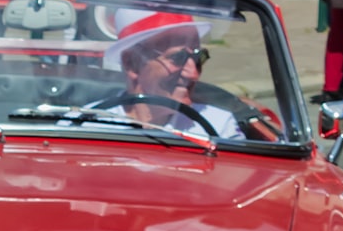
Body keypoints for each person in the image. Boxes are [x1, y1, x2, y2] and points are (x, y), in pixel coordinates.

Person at [99, 9, 244, 140]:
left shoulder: (219, 128)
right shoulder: (87, 126)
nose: (193, 74)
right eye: (177, 58)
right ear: (132, 63)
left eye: (198, 57)